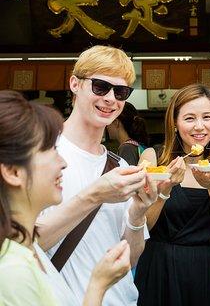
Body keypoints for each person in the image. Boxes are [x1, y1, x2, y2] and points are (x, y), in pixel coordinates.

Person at [36, 45, 158, 306]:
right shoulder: (42, 151)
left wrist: (137, 213)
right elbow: (26, 243)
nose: (111, 99)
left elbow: (131, 258)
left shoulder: (120, 165)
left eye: (121, 91)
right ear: (75, 84)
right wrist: (94, 195)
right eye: (100, 87)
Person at [0, 90, 131, 306]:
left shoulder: (26, 246)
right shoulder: (12, 270)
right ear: (13, 172)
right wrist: (98, 286)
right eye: (50, 150)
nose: (63, 163)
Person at [134, 83, 210, 306]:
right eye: (190, 118)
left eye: (207, 117)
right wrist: (166, 189)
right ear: (174, 123)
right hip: (159, 268)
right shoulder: (153, 159)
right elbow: (140, 226)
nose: (200, 127)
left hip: (205, 271)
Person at [107, 101, 149, 166]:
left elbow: (126, 174)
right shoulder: (137, 146)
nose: (106, 126)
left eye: (109, 122)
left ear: (116, 122)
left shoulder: (126, 148)